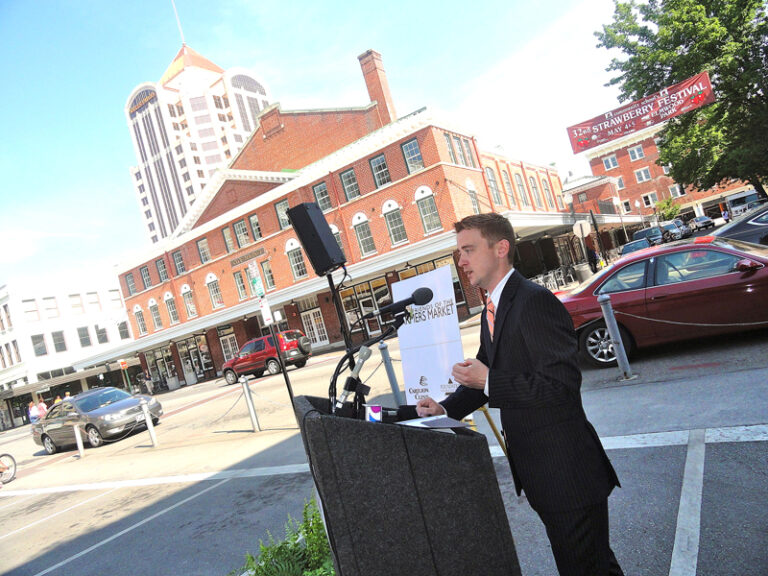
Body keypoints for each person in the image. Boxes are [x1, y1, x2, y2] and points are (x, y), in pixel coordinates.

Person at [407, 213, 623, 576]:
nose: (461, 261)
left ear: (501, 248)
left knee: (588, 568)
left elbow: (561, 386)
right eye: (459, 252)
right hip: (543, 475)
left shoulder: (534, 301)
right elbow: (483, 375)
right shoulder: (493, 307)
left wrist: (489, 379)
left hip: (566, 474)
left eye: (469, 250)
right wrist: (444, 408)